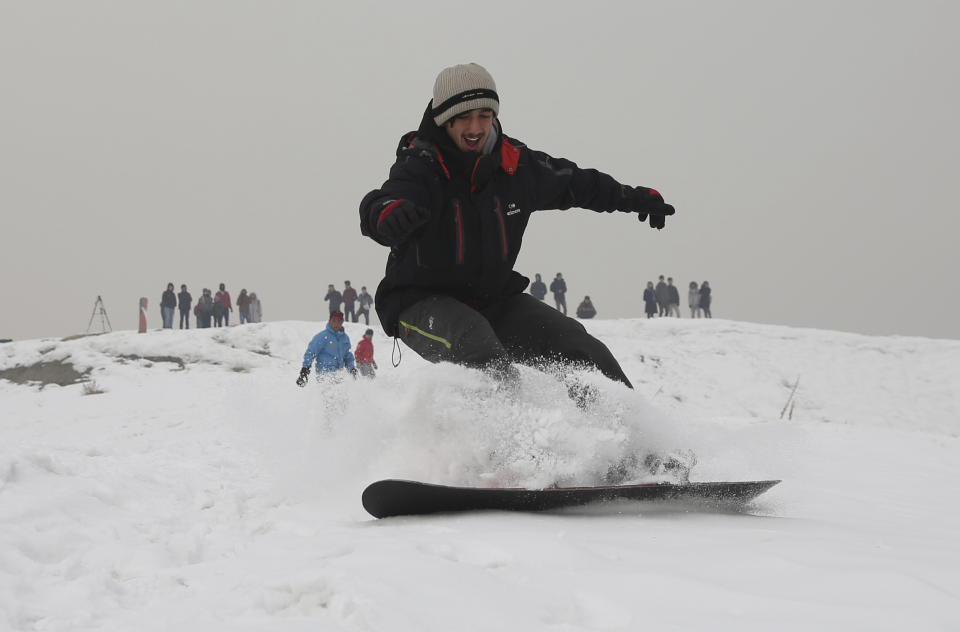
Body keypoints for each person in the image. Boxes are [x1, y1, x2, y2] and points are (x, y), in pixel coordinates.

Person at [358, 63, 675, 393]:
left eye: (484, 114)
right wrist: (387, 214)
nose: (475, 126)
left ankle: (633, 439)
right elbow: (381, 203)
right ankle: (507, 443)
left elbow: (577, 184)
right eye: (464, 116)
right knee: (480, 352)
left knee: (584, 351)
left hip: (492, 299)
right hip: (419, 303)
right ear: (444, 118)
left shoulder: (516, 166)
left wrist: (632, 198)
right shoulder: (421, 167)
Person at [296, 311, 357, 385]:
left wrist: (351, 368)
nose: (336, 323)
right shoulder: (323, 337)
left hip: (338, 374)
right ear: (329, 321)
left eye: (339, 321)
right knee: (330, 395)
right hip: (324, 374)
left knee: (340, 395)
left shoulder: (344, 338)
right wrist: (304, 371)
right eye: (334, 320)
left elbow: (347, 355)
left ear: (342, 322)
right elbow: (311, 352)